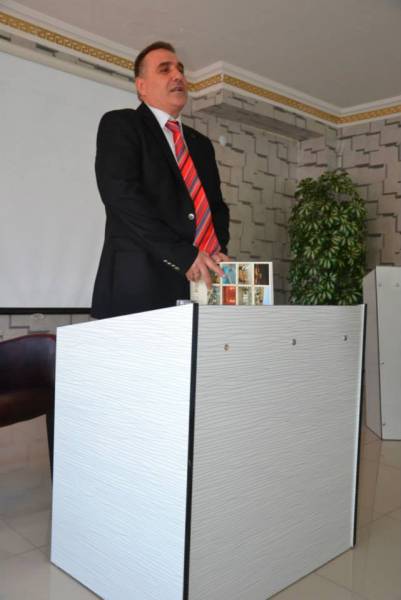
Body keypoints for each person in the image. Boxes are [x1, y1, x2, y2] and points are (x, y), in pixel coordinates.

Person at [91, 41, 230, 319]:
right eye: (165, 70)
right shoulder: (122, 124)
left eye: (180, 69)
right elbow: (121, 196)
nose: (178, 75)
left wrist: (217, 249)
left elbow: (215, 206)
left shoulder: (201, 145)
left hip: (200, 286)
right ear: (141, 86)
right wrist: (183, 254)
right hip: (140, 287)